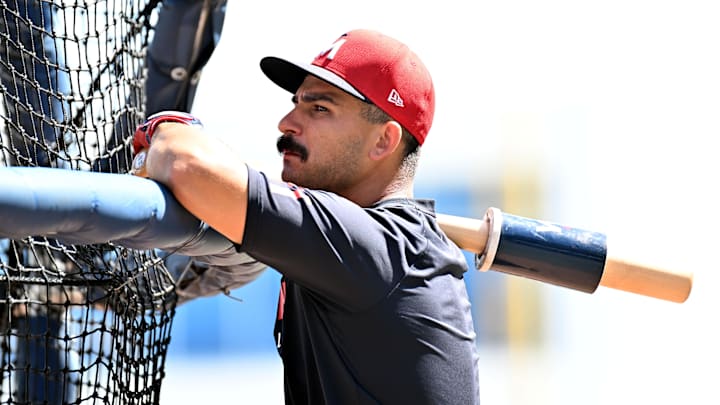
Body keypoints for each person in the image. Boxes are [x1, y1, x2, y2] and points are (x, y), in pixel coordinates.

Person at [134, 29, 480, 404]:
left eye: (319, 109)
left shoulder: (376, 245)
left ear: (384, 141)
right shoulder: (390, 243)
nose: (287, 122)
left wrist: (163, 130)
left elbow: (185, 162)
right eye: (296, 102)